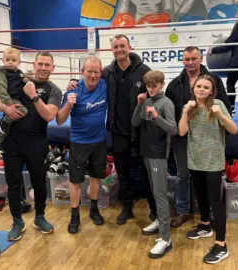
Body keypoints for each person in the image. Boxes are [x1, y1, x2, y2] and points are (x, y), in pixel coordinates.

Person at [68, 34, 156, 225]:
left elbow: (155, 92)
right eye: (115, 47)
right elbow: (91, 78)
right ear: (112, 50)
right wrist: (74, 81)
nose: (119, 50)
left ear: (129, 47)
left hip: (141, 130)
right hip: (117, 131)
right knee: (122, 172)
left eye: (122, 46)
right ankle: (126, 208)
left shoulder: (144, 70)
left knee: (146, 169)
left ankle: (154, 208)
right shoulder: (107, 72)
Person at [0, 51, 62, 241]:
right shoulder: (18, 78)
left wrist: (33, 96)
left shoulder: (53, 90)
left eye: (47, 65)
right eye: (40, 64)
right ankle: (17, 221)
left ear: (52, 68)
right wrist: (6, 107)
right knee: (13, 183)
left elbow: (49, 115)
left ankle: (39, 217)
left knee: (39, 182)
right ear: (34, 64)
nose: (43, 68)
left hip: (37, 141)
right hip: (13, 141)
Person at [165, 46, 231, 228]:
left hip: (206, 137)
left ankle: (209, 213)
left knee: (208, 177)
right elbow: (169, 112)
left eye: (194, 58)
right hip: (183, 136)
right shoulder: (175, 84)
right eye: (186, 59)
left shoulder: (214, 80)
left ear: (200, 58)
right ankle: (183, 210)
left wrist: (223, 128)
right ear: (182, 61)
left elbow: (225, 106)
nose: (190, 62)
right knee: (183, 176)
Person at [178, 74, 237, 264]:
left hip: (212, 161)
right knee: (200, 196)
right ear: (193, 88)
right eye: (199, 86)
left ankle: (221, 244)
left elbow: (233, 130)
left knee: (214, 200)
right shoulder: (190, 107)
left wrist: (220, 115)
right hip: (195, 160)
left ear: (211, 91)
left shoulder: (217, 104)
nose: (201, 89)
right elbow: (182, 131)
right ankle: (205, 225)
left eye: (206, 87)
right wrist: (186, 112)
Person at [56, 56, 107, 234]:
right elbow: (60, 120)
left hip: (99, 141)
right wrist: (68, 105)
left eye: (96, 71)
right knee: (75, 181)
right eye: (89, 71)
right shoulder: (74, 89)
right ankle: (75, 215)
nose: (93, 75)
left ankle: (94, 209)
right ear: (82, 72)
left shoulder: (104, 85)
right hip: (79, 142)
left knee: (96, 177)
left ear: (101, 72)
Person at [131, 70, 177, 258]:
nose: (151, 89)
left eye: (154, 86)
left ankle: (166, 238)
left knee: (160, 194)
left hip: (159, 153)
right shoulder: (147, 100)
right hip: (146, 151)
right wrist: (140, 104)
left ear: (162, 85)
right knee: (153, 190)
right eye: (148, 86)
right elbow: (135, 122)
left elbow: (173, 129)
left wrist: (156, 116)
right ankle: (159, 220)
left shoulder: (166, 103)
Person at [0, 47, 29, 152]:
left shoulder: (18, 72)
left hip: (16, 98)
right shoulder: (1, 72)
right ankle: (3, 124)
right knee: (23, 111)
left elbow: (21, 80)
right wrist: (9, 103)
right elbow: (1, 88)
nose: (10, 63)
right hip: (10, 99)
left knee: (11, 118)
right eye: (7, 60)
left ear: (19, 62)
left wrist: (25, 80)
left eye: (13, 60)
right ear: (3, 60)